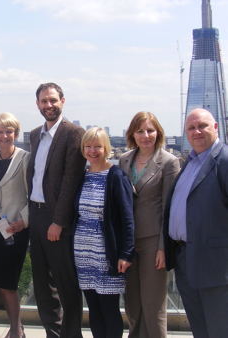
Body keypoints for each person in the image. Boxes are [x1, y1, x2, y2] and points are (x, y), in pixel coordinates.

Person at [26, 82, 86, 338]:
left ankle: (71, 335)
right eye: (43, 101)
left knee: (65, 283)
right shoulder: (34, 134)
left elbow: (72, 180)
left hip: (56, 219)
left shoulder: (74, 133)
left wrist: (59, 221)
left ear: (62, 101)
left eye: (52, 100)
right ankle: (53, 333)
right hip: (36, 215)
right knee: (42, 284)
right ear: (38, 104)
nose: (48, 105)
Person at [164, 108, 228, 337]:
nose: (196, 131)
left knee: (220, 330)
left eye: (202, 126)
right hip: (186, 260)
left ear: (216, 127)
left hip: (216, 267)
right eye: (191, 128)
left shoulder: (224, 160)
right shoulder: (189, 163)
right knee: (200, 329)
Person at [119, 112, 180, 338]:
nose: (146, 136)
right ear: (132, 134)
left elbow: (169, 208)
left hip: (154, 242)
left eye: (150, 130)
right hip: (128, 243)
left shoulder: (169, 162)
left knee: (153, 305)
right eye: (140, 131)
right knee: (132, 304)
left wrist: (165, 247)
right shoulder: (125, 159)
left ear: (159, 133)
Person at [74, 127, 134, 338]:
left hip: (106, 253)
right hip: (84, 251)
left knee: (109, 308)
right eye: (88, 146)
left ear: (106, 148)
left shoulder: (116, 176)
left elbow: (127, 218)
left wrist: (126, 254)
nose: (92, 150)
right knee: (93, 309)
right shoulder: (83, 176)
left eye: (97, 146)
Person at [0, 113, 30, 338]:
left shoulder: (25, 158)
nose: (5, 136)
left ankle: (16, 328)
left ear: (16, 134)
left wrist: (25, 221)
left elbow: (34, 194)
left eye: (9, 131)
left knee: (9, 282)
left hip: (15, 228)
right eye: (0, 132)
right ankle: (15, 325)